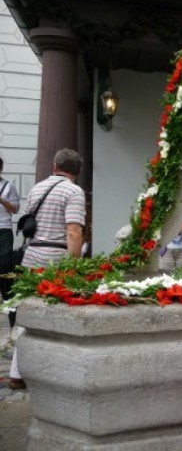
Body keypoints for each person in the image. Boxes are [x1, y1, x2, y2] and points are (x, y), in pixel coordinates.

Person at [9, 148, 86, 390]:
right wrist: (73, 266)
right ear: (78, 171)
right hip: (54, 257)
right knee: (56, 312)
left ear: (55, 166)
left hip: (31, 255)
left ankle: (17, 373)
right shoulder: (74, 191)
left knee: (28, 311)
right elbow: (73, 231)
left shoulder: (37, 188)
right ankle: (51, 369)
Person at [0, 157, 20, 330]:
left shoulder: (8, 186)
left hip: (4, 230)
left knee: (4, 267)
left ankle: (10, 307)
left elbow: (15, 209)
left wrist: (2, 200)